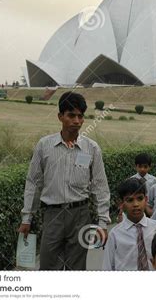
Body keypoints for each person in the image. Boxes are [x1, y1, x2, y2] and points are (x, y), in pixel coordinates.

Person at [18, 92, 110, 270]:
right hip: (53, 215)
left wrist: (103, 223)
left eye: (80, 116)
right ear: (60, 116)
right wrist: (26, 218)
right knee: (48, 266)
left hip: (80, 215)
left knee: (77, 268)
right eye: (71, 115)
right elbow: (33, 183)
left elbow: (100, 187)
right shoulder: (44, 146)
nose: (76, 121)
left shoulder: (92, 149)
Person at [102, 178, 156, 271]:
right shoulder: (115, 234)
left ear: (146, 199)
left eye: (140, 198)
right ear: (121, 203)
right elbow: (107, 266)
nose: (136, 204)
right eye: (130, 200)